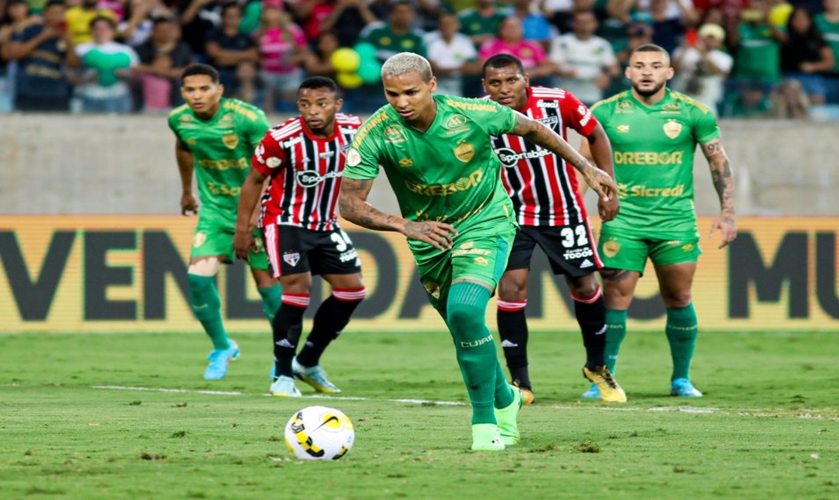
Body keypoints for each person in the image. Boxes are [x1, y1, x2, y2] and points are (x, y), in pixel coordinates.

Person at [338, 52, 618, 451]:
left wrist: (585, 167)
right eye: (392, 94)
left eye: (411, 92)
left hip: (486, 221)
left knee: (466, 310)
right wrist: (406, 226)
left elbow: (535, 129)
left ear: (432, 86)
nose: (401, 102)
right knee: (463, 330)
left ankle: (484, 422)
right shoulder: (375, 133)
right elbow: (349, 204)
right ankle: (506, 398)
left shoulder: (471, 112)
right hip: (430, 237)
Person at [581, 44, 737, 399]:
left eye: (655, 66)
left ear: (669, 72)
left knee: (679, 295)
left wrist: (727, 213)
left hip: (675, 220)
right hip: (623, 219)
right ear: (628, 72)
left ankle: (681, 378)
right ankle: (606, 379)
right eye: (639, 65)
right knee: (615, 296)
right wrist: (577, 211)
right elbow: (583, 165)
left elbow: (718, 162)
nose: (647, 71)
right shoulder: (603, 112)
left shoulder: (693, 112)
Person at [480, 53, 625, 405]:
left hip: (564, 212)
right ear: (484, 86)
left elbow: (596, 133)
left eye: (511, 80)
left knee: (584, 285)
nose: (503, 89)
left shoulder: (557, 102)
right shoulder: (477, 113)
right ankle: (520, 382)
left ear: (525, 78)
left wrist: (608, 187)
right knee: (511, 289)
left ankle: (597, 366)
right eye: (495, 83)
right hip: (511, 216)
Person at [233, 76, 367, 397]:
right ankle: (282, 376)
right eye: (305, 104)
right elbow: (254, 181)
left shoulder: (355, 130)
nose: (313, 112)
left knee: (353, 291)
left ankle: (306, 362)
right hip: (284, 221)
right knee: (298, 290)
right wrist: (243, 229)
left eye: (321, 104)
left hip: (325, 224)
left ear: (337, 105)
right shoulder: (282, 138)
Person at [167, 63, 283, 380]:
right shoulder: (179, 120)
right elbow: (184, 147)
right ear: (182, 93)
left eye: (204, 89)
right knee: (198, 278)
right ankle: (222, 346)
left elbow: (271, 167)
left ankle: (282, 354)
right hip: (215, 210)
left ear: (219, 90)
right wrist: (186, 191)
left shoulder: (247, 118)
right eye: (190, 90)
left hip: (256, 210)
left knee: (266, 284)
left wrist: (253, 217)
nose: (196, 95)